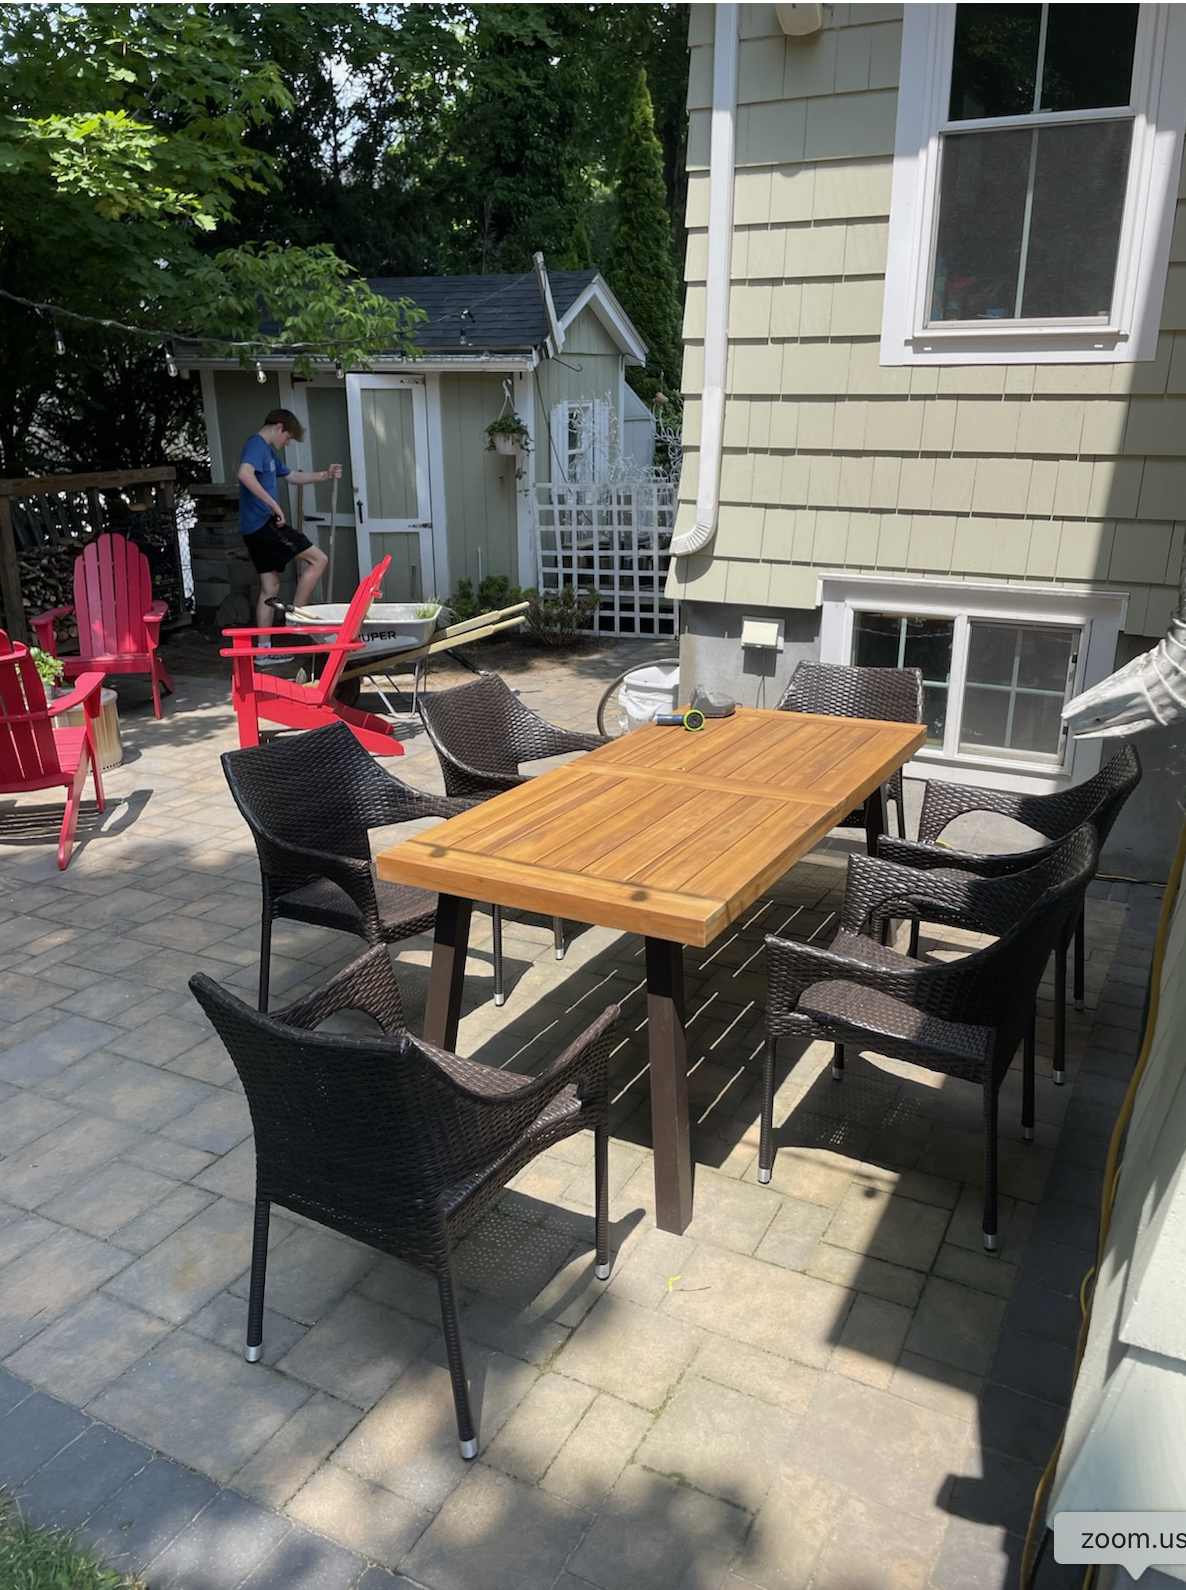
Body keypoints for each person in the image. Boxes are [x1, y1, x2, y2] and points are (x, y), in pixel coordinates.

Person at [237, 409, 341, 651]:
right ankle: (295, 620)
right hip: (263, 524)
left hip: (254, 528)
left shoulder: (268, 452)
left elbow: (293, 476)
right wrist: (273, 504)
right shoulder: (256, 445)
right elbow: (244, 474)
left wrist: (325, 475)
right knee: (319, 559)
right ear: (279, 427)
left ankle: (263, 650)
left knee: (270, 587)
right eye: (289, 437)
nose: (288, 442)